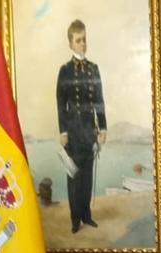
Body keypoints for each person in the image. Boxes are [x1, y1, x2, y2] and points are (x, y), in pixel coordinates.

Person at [56, 19, 106, 234]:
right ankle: (75, 218)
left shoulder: (93, 69)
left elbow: (99, 100)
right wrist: (63, 131)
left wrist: (102, 128)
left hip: (89, 131)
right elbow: (60, 103)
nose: (83, 44)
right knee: (74, 177)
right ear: (70, 43)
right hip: (73, 133)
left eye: (84, 39)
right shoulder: (65, 71)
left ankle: (86, 215)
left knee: (87, 176)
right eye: (78, 40)